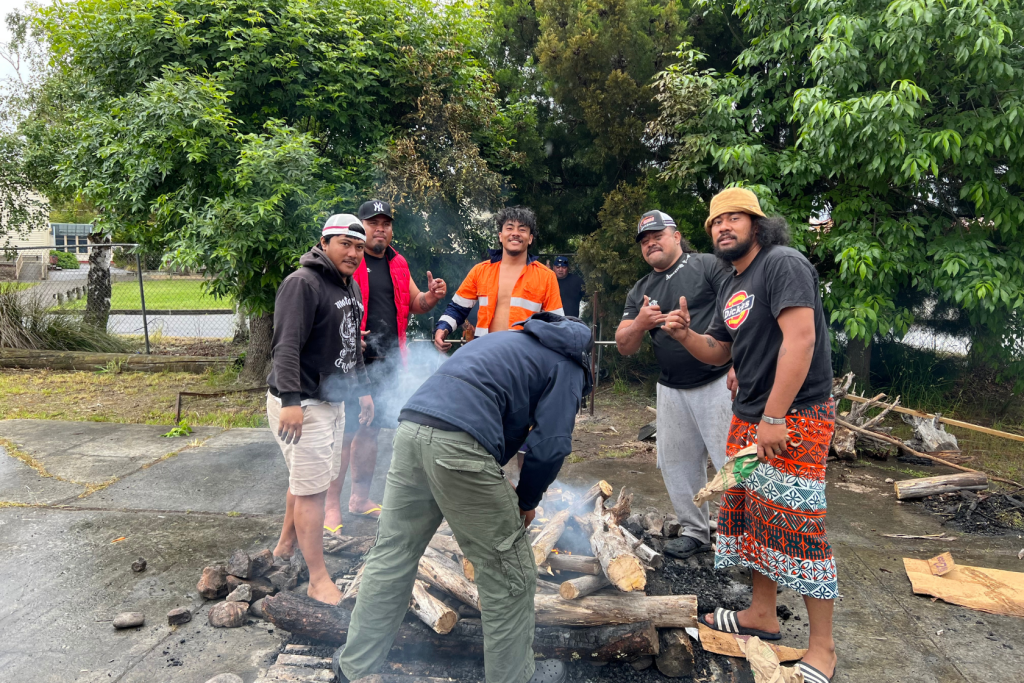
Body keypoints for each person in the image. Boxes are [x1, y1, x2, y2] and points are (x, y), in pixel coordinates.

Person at [335, 313, 594, 683]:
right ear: (586, 357)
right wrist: (526, 501)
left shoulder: (508, 341)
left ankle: (353, 667)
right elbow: (552, 446)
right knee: (511, 573)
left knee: (393, 551)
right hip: (457, 443)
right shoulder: (568, 363)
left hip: (411, 429)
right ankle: (515, 677)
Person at [662, 188, 837, 682]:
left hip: (795, 417)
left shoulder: (783, 264)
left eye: (734, 218)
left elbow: (801, 338)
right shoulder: (732, 284)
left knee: (801, 527)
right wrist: (683, 335)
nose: (723, 227)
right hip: (751, 417)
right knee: (753, 517)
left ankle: (823, 648)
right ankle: (762, 614)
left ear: (757, 224)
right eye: (716, 221)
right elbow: (720, 351)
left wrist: (776, 416)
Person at [266, 214, 374, 605]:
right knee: (312, 491)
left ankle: (283, 549)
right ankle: (317, 579)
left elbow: (353, 345)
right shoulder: (302, 284)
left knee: (308, 481)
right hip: (303, 404)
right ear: (325, 243)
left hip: (332, 400)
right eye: (346, 243)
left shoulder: (349, 287)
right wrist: (291, 402)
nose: (353, 252)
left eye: (359, 247)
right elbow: (285, 347)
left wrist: (362, 390)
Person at [615, 209, 733, 559]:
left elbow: (741, 314)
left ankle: (744, 539)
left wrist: (741, 362)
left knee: (732, 462)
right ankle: (696, 532)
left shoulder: (708, 265)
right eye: (644, 241)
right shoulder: (641, 289)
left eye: (657, 235)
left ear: (677, 236)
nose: (651, 243)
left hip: (718, 381)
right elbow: (624, 345)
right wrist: (639, 323)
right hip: (671, 388)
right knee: (677, 463)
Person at [323, 199, 447, 533]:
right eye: (373, 222)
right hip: (351, 362)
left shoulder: (398, 263)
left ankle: (359, 500)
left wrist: (431, 298)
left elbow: (415, 302)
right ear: (360, 227)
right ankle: (331, 506)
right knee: (344, 433)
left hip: (389, 360)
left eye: (385, 223)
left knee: (370, 430)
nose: (380, 229)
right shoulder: (348, 260)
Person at [433, 206, 563, 350]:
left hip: (524, 360)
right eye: (510, 228)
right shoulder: (480, 271)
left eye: (522, 229)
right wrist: (442, 329)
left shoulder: (546, 276)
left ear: (530, 238)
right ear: (500, 236)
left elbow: (557, 325)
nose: (515, 233)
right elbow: (457, 309)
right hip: (484, 355)